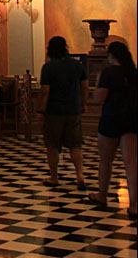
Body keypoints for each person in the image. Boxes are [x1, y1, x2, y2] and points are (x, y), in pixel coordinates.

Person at [89, 41, 137, 218]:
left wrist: (96, 88)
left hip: (111, 119)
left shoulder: (108, 73)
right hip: (131, 120)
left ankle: (102, 194)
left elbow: (100, 97)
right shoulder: (133, 73)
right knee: (131, 164)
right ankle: (133, 204)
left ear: (111, 56)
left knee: (105, 161)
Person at [37, 36, 88, 190]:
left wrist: (40, 110)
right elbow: (84, 86)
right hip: (73, 110)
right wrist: (83, 103)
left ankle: (54, 176)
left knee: (52, 146)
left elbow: (45, 91)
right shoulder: (76, 65)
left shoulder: (48, 67)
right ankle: (80, 175)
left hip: (54, 111)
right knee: (75, 145)